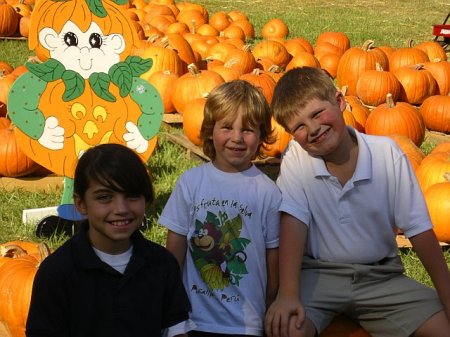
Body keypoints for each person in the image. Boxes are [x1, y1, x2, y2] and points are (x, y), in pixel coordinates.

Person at [264, 67, 450, 337]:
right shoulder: (297, 158)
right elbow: (293, 223)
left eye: (317, 114)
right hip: (318, 276)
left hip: (380, 278)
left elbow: (419, 230)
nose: (314, 129)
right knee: (287, 328)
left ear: (340, 102)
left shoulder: (387, 155)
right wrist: (288, 295)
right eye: (300, 127)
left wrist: (447, 295)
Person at [26, 143, 194, 337]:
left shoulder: (162, 264)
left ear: (146, 201)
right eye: (105, 197)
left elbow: (176, 330)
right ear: (81, 204)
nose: (121, 208)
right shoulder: (57, 273)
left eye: (132, 196)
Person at [159, 80, 282, 336]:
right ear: (210, 130)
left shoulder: (268, 192)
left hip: (246, 324)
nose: (236, 138)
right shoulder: (191, 183)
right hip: (195, 320)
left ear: (261, 135)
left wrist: (270, 305)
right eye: (227, 127)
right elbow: (175, 249)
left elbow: (273, 258)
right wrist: (171, 310)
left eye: (247, 129)